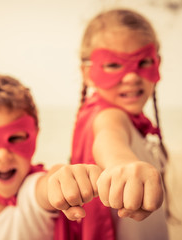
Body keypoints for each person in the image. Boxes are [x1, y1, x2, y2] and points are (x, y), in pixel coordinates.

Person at [53, 8, 170, 240]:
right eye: (114, 65)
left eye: (144, 61)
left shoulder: (130, 119)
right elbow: (109, 138)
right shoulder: (108, 116)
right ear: (87, 73)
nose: (131, 77)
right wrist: (121, 164)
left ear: (158, 63)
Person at [0, 74, 102, 240]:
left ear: (35, 134)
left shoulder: (31, 195)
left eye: (16, 138)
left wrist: (61, 179)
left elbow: (47, 187)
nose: (2, 156)